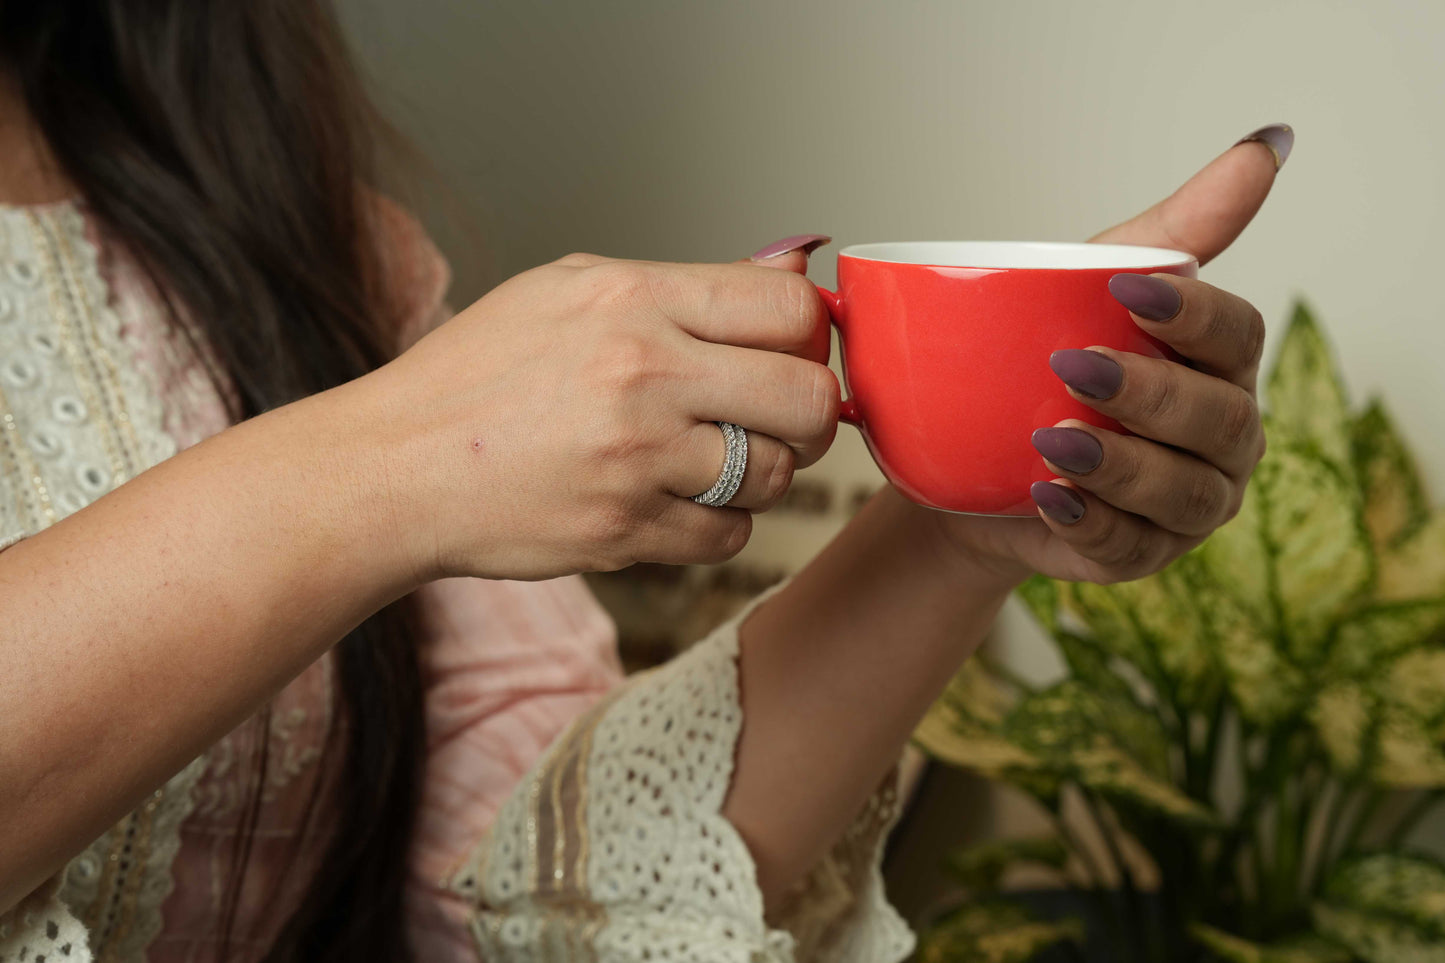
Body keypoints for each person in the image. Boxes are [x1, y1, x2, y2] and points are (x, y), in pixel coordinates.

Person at [0, 3, 1285, 961]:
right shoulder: (378, 388)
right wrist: (388, 466)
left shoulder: (290, 232)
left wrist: (964, 527)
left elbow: (537, 896)